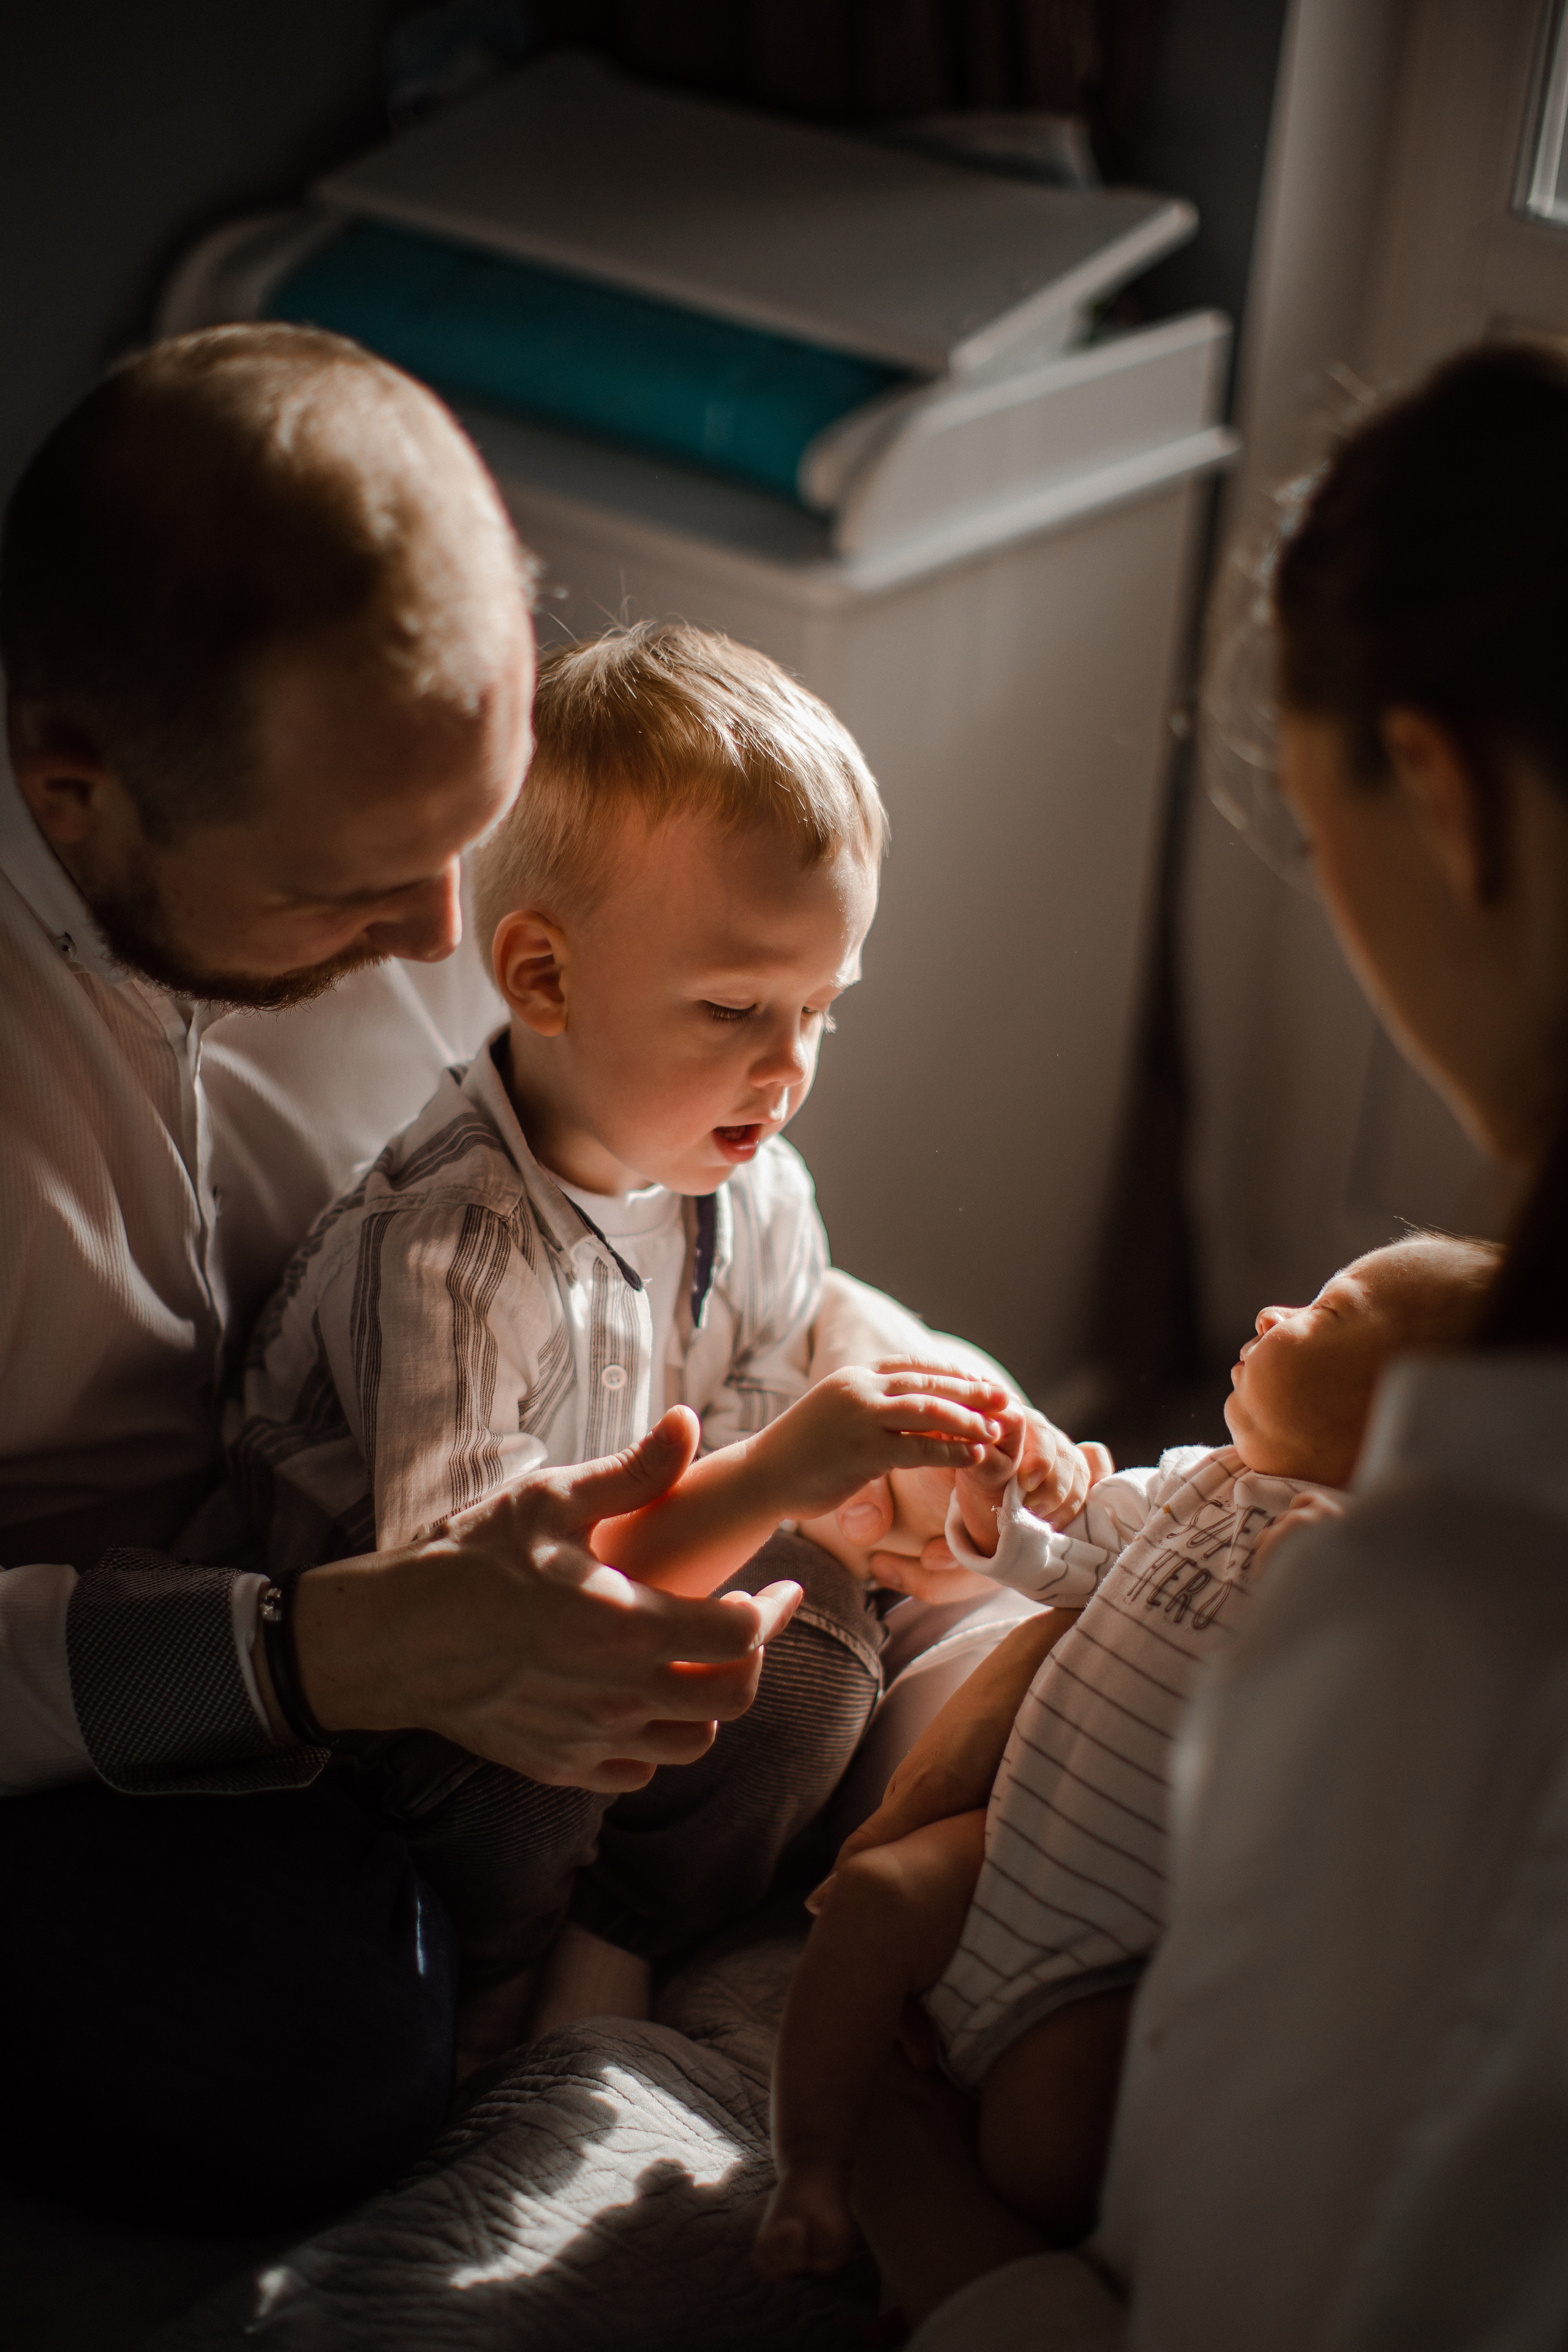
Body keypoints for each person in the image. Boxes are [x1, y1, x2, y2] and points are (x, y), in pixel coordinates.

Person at [0, 325, 1086, 2231]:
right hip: (83, 1683)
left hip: (460, 1591)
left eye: (464, 835)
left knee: (960, 1675)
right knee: (324, 2051)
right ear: (76, 794)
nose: (438, 942)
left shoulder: (465, 885)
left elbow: (681, 1231)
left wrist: (922, 1387)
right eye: (356, 880)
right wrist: (314, 1649)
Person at [829, 338, 1568, 2351]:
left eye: (1321, 845)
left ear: (1442, 791)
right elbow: (1093, 1534)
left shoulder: (1440, 1632)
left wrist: (897, 2180)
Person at [229, 622, 1065, 2061]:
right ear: (544, 983)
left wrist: (924, 1467)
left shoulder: (746, 1184)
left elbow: (762, 1405)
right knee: (562, 1741)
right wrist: (778, 1476)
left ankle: (619, 1933)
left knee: (814, 1638)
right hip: (401, 1721)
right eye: (736, 1008)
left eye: (818, 1013)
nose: (786, 1069)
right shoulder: (455, 1247)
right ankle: (493, 1968)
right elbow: (479, 1625)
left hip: (594, 1646)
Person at [755, 1235, 1498, 2283]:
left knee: (1048, 2152)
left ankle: (990, 2256)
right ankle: (811, 2168)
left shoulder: (1363, 1573)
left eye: (1327, 1316)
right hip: (1002, 1852)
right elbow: (1071, 1558)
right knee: (871, 1896)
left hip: (1112, 1955)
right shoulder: (1204, 1481)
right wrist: (995, 1508)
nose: (1274, 1314)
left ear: (1404, 1422)